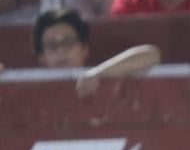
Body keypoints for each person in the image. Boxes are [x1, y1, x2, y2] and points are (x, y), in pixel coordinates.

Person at [3, 7, 161, 97]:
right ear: (42, 57)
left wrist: (99, 74)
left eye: (68, 42)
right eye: (52, 45)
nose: (60, 50)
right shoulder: (30, 91)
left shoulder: (104, 75)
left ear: (84, 49)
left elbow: (151, 54)